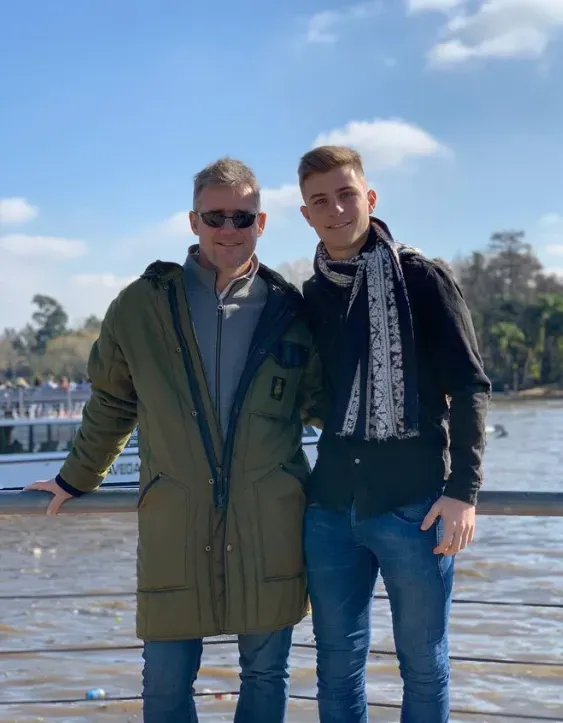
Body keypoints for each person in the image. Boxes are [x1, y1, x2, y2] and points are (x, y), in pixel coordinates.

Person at [26, 157, 325, 723]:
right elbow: (114, 401)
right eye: (217, 216)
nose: (229, 229)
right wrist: (75, 478)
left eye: (244, 216)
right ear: (193, 221)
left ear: (262, 223)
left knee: (266, 673)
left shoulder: (292, 311)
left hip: (272, 520)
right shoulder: (141, 305)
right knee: (164, 681)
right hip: (174, 521)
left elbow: (327, 405)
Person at [297, 145, 491, 723]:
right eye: (320, 201)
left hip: (416, 508)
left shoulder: (422, 279)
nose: (336, 209)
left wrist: (465, 491)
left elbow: (471, 386)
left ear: (370, 197)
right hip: (331, 509)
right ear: (306, 214)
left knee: (424, 666)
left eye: (346, 194)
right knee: (335, 665)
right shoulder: (310, 296)